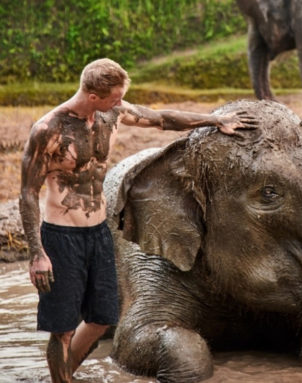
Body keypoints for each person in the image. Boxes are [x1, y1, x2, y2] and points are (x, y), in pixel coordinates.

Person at [19, 58, 257, 382]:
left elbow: (162, 119)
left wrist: (214, 120)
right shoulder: (48, 131)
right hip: (62, 235)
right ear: (92, 96)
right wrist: (37, 254)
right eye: (114, 97)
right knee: (61, 328)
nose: (120, 103)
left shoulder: (111, 113)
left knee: (102, 319)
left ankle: (61, 378)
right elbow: (28, 194)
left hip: (99, 232)